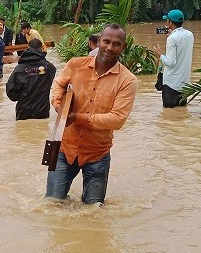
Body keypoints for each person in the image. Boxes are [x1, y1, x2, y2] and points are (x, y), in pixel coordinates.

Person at [45, 23, 137, 204]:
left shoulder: (127, 80)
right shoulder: (75, 65)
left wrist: (77, 118)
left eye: (116, 44)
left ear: (123, 47)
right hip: (65, 149)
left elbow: (117, 120)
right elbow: (58, 84)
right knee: (52, 205)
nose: (110, 47)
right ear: (98, 42)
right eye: (106, 41)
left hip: (97, 154)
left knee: (93, 211)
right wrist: (59, 106)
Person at [6, 39, 56, 120]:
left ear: (28, 48)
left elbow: (10, 90)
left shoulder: (19, 69)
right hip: (42, 110)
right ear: (41, 49)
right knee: (42, 130)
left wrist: (21, 97)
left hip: (23, 110)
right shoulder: (50, 68)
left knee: (22, 130)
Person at [152, 9, 194, 108]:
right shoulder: (190, 35)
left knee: (168, 114)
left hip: (171, 84)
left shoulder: (172, 38)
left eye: (167, 21)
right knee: (181, 112)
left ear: (170, 22)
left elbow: (171, 63)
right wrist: (172, 34)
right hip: (184, 84)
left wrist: (160, 55)